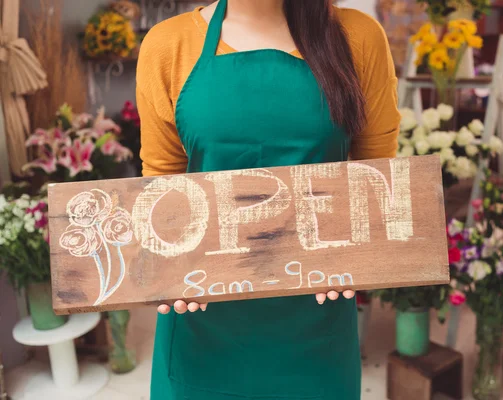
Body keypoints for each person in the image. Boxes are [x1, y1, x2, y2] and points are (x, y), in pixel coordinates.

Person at [136, 0, 400, 398]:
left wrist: (356, 259)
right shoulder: (168, 44)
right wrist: (167, 274)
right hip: (201, 325)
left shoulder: (360, 38)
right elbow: (161, 186)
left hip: (316, 326)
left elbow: (376, 178)